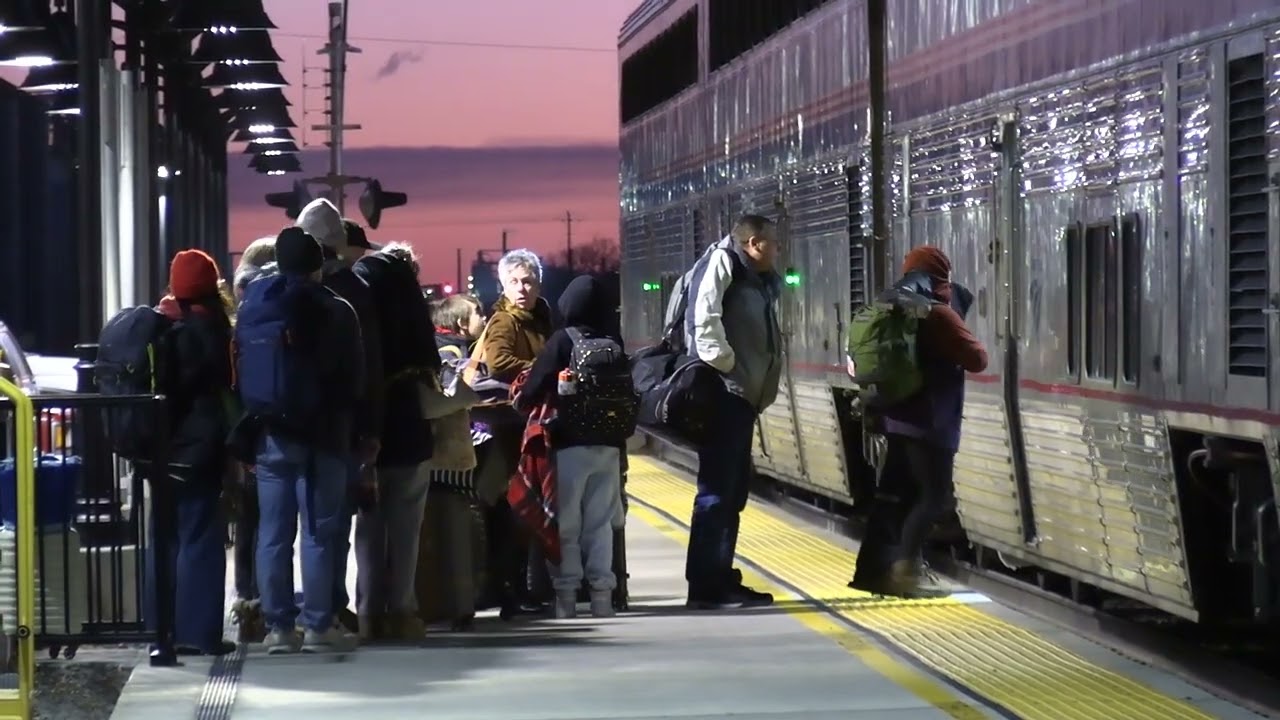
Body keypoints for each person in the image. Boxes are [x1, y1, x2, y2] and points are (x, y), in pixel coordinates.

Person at [240, 226, 365, 654]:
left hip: (271, 432)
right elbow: (354, 379)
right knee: (318, 532)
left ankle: (277, 629)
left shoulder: (257, 305)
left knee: (272, 535)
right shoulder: (338, 309)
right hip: (325, 435)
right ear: (318, 266)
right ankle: (317, 626)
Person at [847, 246, 987, 598]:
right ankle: (905, 572)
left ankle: (871, 572)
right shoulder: (938, 314)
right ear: (943, 275)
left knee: (894, 497)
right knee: (932, 499)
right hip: (931, 422)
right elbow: (978, 359)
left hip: (894, 417)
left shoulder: (891, 306)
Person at [515, 275, 634, 619]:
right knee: (600, 524)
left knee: (566, 524)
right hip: (609, 447)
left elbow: (532, 390)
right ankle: (602, 598)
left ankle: (566, 599)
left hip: (568, 447)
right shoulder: (613, 340)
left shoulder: (562, 341)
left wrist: (522, 402)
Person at [682, 215, 782, 610]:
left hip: (741, 397)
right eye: (773, 243)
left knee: (731, 492)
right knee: (717, 493)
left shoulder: (753, 277)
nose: (778, 250)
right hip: (727, 394)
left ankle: (721, 576)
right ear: (754, 243)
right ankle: (708, 586)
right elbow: (703, 318)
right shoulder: (724, 263)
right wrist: (725, 365)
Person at [295, 201, 385, 636]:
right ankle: (328, 608)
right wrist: (371, 427)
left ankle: (280, 615)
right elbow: (369, 366)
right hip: (341, 425)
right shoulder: (354, 293)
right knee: (333, 524)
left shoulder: (276, 290)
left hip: (287, 424)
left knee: (286, 530)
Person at [146, 249, 237, 655]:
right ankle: (199, 634)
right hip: (200, 448)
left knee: (164, 539)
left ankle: (160, 631)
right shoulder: (212, 329)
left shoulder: (160, 325)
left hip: (159, 445)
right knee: (200, 536)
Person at [352, 241, 439, 640]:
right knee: (407, 528)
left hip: (369, 433)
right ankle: (403, 610)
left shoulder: (362, 320)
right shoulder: (415, 326)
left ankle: (369, 612)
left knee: (369, 527)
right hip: (410, 431)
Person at [468, 248, 555, 615]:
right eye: (515, 281)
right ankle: (508, 590)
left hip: (522, 422)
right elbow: (499, 362)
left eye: (529, 281)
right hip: (505, 425)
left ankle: (515, 588)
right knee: (512, 508)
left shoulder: (539, 317)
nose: (522, 288)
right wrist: (544, 367)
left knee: (518, 509)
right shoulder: (505, 320)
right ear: (503, 284)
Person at [424, 293, 488, 630]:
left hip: (430, 458)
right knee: (456, 533)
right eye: (477, 312)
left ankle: (433, 602)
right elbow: (453, 397)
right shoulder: (451, 354)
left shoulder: (432, 348)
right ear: (461, 323)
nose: (483, 317)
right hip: (450, 459)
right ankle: (461, 606)